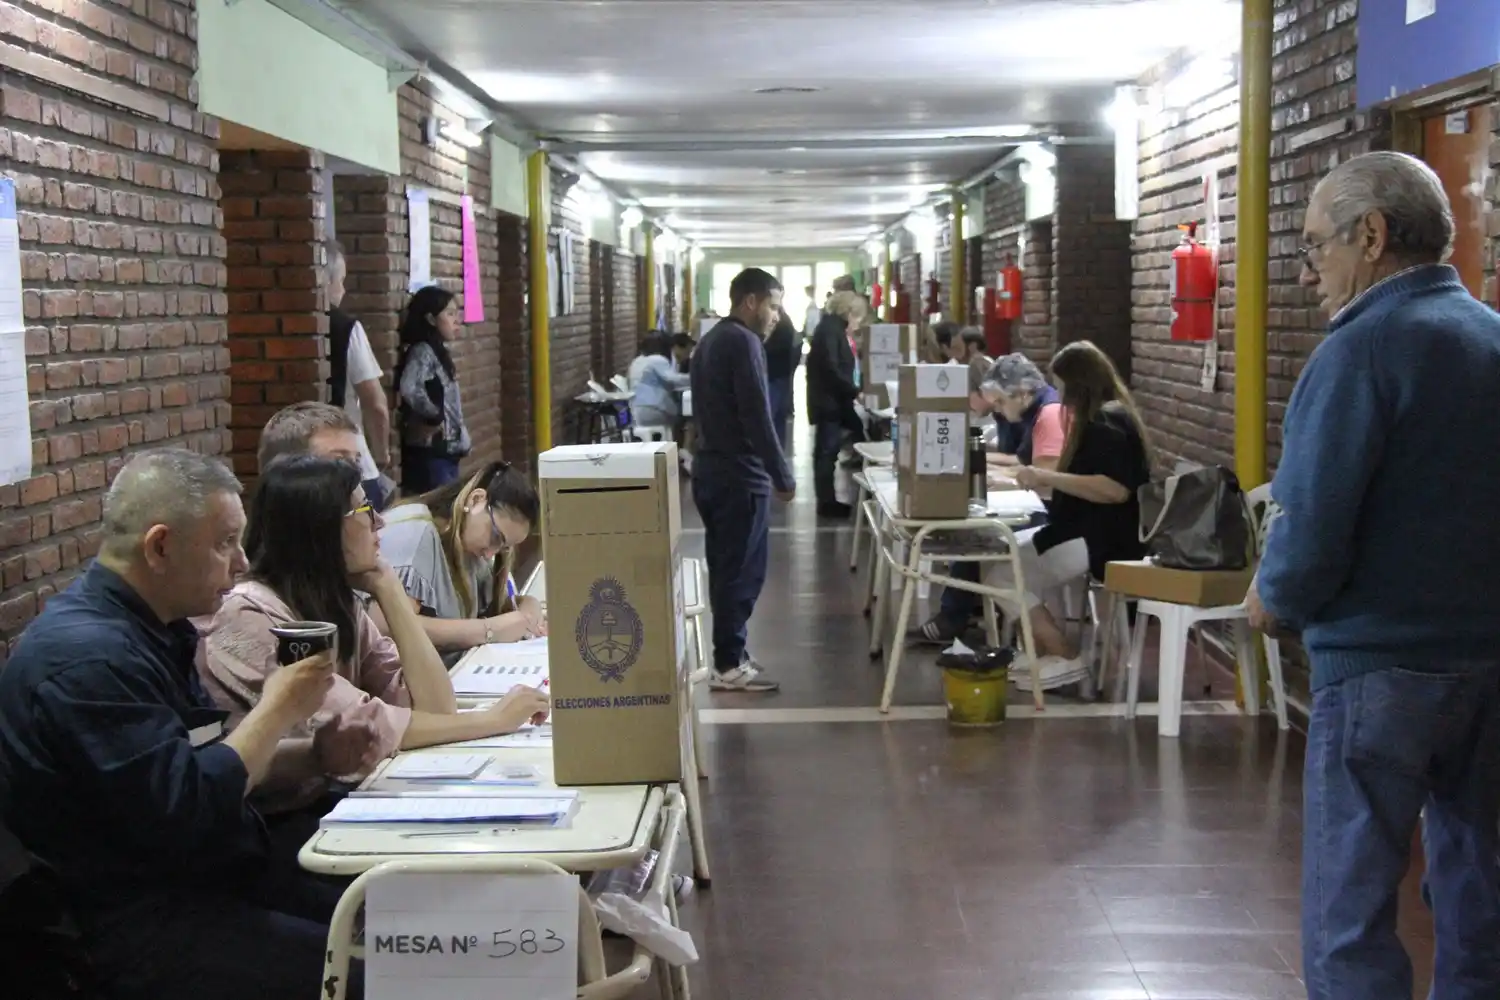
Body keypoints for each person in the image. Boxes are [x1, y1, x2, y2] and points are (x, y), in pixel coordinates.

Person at [1245, 151, 1500, 1000]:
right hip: (1488, 663)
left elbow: (1312, 522)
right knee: (1478, 888)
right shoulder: (1489, 337)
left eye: (1317, 246)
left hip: (1379, 670)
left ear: (1373, 234)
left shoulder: (1361, 350)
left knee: (1350, 905)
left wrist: (1272, 598)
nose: (1312, 270)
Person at [0, 449, 359, 1000]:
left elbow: (208, 757)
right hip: (132, 924)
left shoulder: (151, 629)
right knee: (371, 972)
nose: (240, 562)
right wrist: (278, 708)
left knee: (391, 922)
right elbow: (189, 803)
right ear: (160, 546)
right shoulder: (87, 661)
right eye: (224, 542)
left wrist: (313, 756)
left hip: (207, 877)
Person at [199, 454, 548, 823]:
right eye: (363, 509)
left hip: (331, 805)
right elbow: (370, 724)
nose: (379, 520)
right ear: (320, 527)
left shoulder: (339, 602)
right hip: (273, 826)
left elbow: (435, 708)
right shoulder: (251, 616)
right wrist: (494, 720)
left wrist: (387, 586)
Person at [982, 341, 1150, 691]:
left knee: (1001, 574)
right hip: (1092, 531)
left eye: (1061, 385)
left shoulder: (1105, 423)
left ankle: (1064, 653)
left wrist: (1046, 477)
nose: (1057, 393)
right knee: (1004, 568)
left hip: (1097, 538)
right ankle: (1049, 653)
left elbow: (1114, 489)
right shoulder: (1111, 417)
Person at [910, 353, 1064, 645]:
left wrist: (997, 480)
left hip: (1050, 514)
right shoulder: (1036, 411)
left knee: (979, 536)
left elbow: (1043, 479)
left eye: (1001, 404)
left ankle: (955, 616)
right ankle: (963, 611)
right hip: (1040, 503)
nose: (1000, 412)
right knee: (976, 531)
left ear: (1021, 393)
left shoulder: (1048, 415)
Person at [691, 267, 795, 693]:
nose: (775, 317)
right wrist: (782, 473)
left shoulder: (712, 341)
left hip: (712, 473)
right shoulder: (744, 342)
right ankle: (729, 662)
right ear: (749, 302)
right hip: (739, 477)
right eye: (772, 306)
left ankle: (730, 653)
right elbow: (757, 414)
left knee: (727, 567)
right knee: (743, 572)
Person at [381, 461, 546, 661]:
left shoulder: (468, 543)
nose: (489, 554)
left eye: (504, 547)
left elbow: (503, 606)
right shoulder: (415, 535)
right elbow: (390, 627)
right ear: (476, 500)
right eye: (495, 536)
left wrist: (529, 608)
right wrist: (488, 630)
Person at [325, 240, 393, 509]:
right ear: (326, 281)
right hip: (352, 466)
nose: (342, 289)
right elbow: (374, 402)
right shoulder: (345, 327)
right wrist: (381, 452)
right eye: (340, 280)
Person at [395, 285, 469, 495]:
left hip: (447, 451)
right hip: (431, 452)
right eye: (450, 314)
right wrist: (434, 416)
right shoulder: (423, 351)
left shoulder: (438, 351)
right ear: (430, 319)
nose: (457, 321)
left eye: (457, 314)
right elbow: (409, 388)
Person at [807, 290, 866, 518]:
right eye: (857, 316)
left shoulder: (830, 328)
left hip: (832, 399)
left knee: (829, 451)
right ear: (848, 311)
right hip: (830, 401)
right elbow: (831, 368)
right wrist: (854, 391)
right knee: (826, 453)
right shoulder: (831, 331)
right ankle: (827, 502)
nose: (857, 322)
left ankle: (828, 500)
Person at [626, 331, 691, 430]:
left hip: (636, 410)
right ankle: (681, 444)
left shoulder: (637, 361)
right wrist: (694, 378)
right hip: (655, 409)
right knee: (689, 418)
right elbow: (673, 379)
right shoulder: (658, 359)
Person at [764, 305, 802, 450]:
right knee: (778, 416)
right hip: (782, 373)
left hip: (774, 374)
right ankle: (778, 448)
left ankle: (772, 449)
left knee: (772, 415)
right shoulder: (785, 322)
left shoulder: (779, 325)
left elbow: (773, 349)